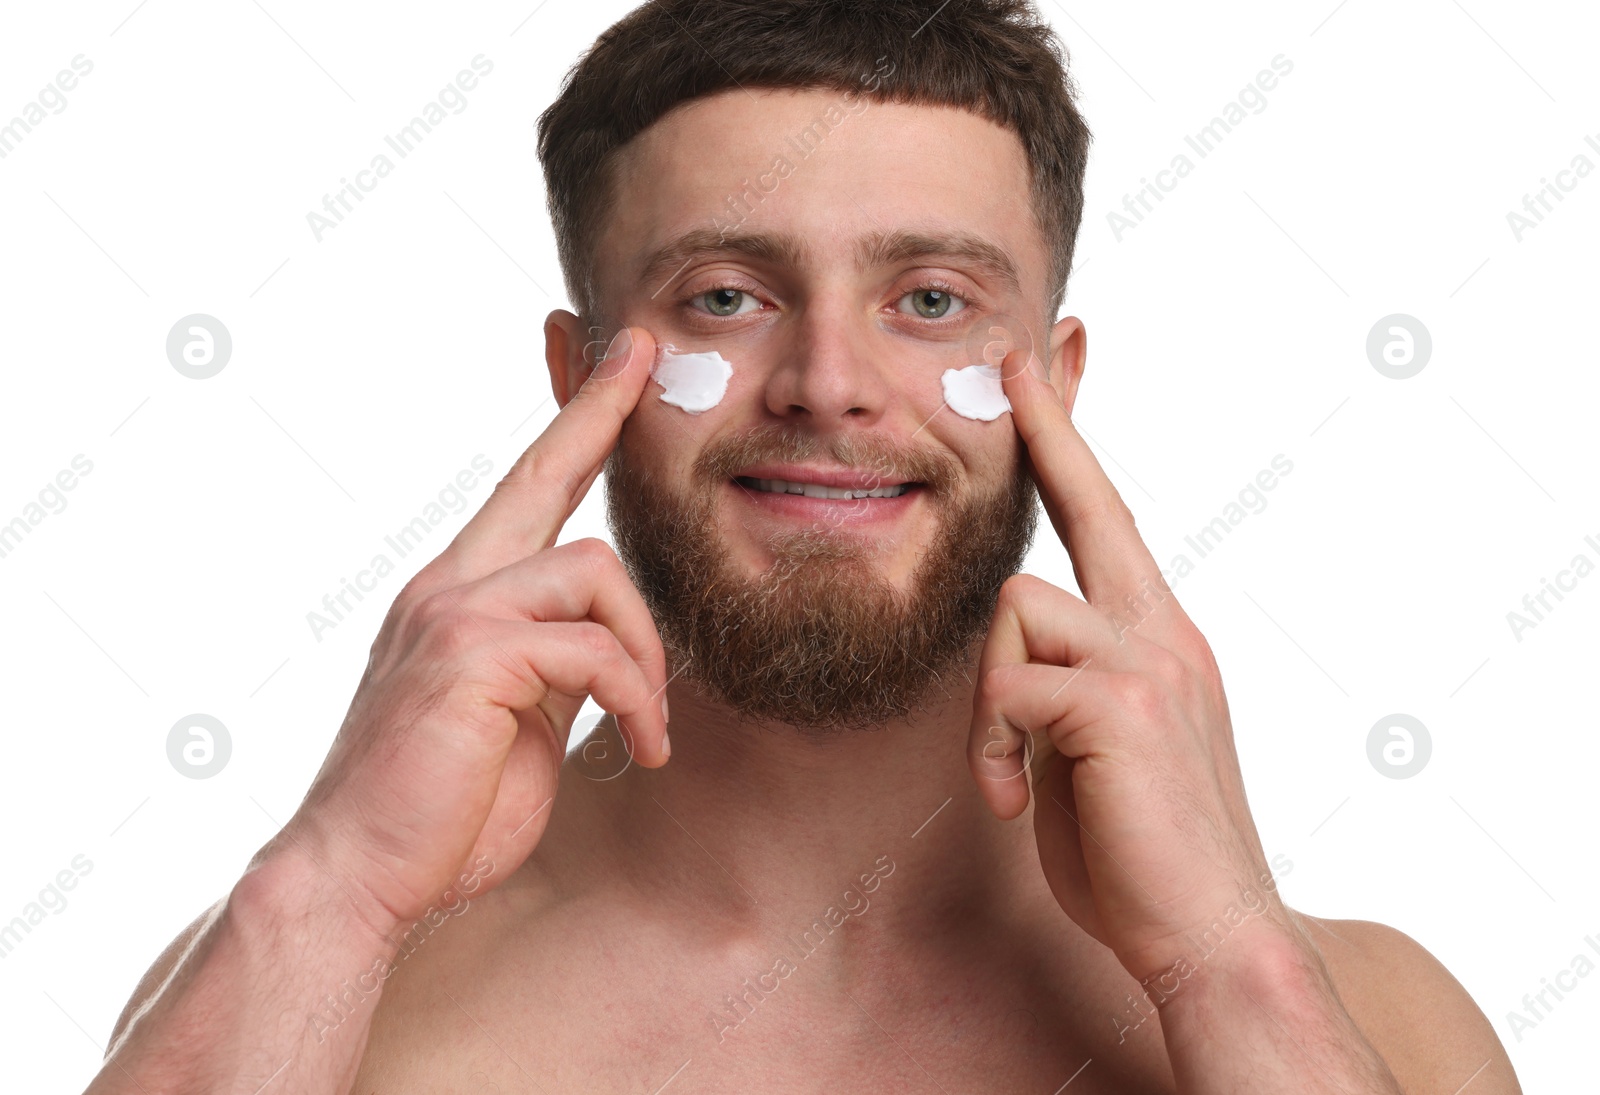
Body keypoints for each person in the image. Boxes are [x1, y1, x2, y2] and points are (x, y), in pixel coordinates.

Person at [86, 1, 1520, 1091]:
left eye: (934, 301)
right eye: (724, 295)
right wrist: (326, 886)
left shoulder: (1366, 1019)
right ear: (581, 374)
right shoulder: (312, 988)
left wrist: (1238, 973)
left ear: (1057, 378)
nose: (828, 379)